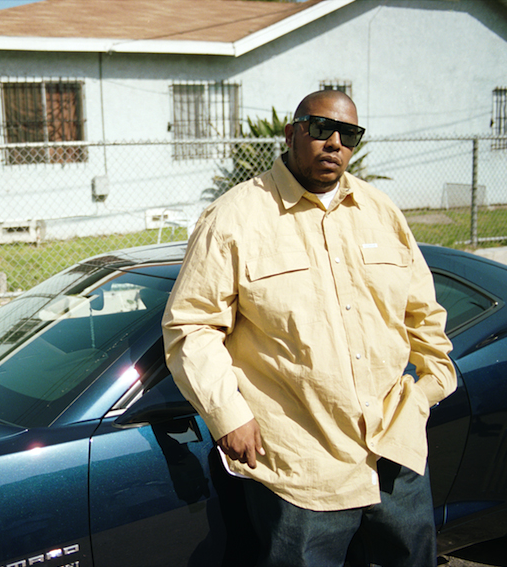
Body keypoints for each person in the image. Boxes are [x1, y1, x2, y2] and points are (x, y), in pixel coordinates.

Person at [162, 90, 456, 567]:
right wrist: (228, 414)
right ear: (291, 133)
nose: (335, 142)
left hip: (394, 450)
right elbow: (191, 325)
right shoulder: (234, 218)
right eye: (321, 128)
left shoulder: (381, 212)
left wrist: (430, 385)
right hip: (303, 468)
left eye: (349, 134)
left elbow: (422, 312)